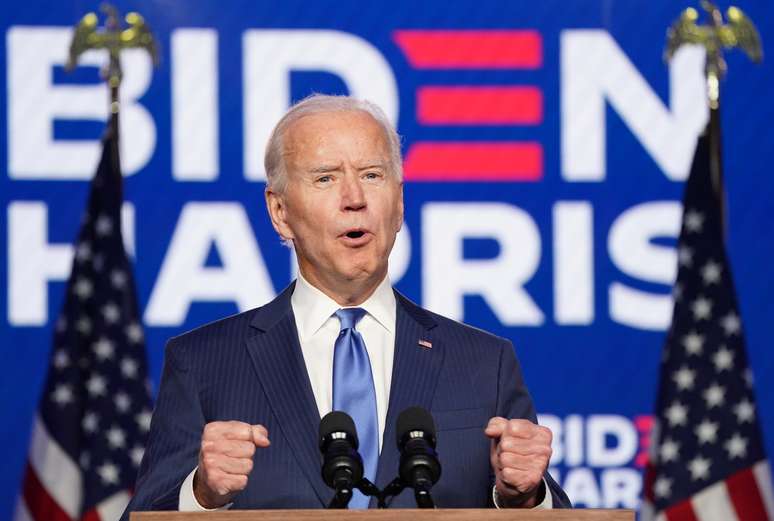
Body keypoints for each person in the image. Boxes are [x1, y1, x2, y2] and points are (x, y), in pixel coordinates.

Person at [121, 95, 571, 518]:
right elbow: (140, 518)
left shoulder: (483, 362)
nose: (354, 199)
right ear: (280, 212)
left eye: (372, 175)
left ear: (398, 202)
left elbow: (542, 502)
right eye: (325, 178)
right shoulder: (205, 363)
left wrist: (525, 495)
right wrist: (201, 495)